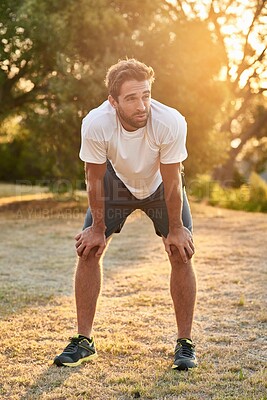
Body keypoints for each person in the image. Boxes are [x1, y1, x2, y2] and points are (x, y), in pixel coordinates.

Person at [54, 58, 197, 371]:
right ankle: (83, 341)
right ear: (113, 101)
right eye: (131, 98)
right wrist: (98, 228)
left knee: (180, 251)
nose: (142, 105)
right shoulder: (96, 123)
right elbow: (93, 177)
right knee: (88, 251)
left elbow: (173, 179)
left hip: (161, 185)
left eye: (145, 95)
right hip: (115, 183)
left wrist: (175, 229)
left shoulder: (170, 121)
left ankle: (185, 344)